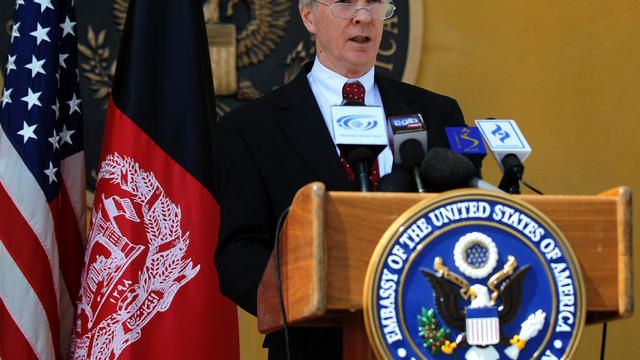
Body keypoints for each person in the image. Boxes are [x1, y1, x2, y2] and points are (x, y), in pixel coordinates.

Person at [212, 0, 481, 358]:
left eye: (374, 4)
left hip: (425, 339)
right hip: (314, 346)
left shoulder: (437, 113)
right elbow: (239, 253)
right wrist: (309, 290)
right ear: (308, 16)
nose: (362, 16)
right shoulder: (251, 128)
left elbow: (467, 221)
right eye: (344, 3)